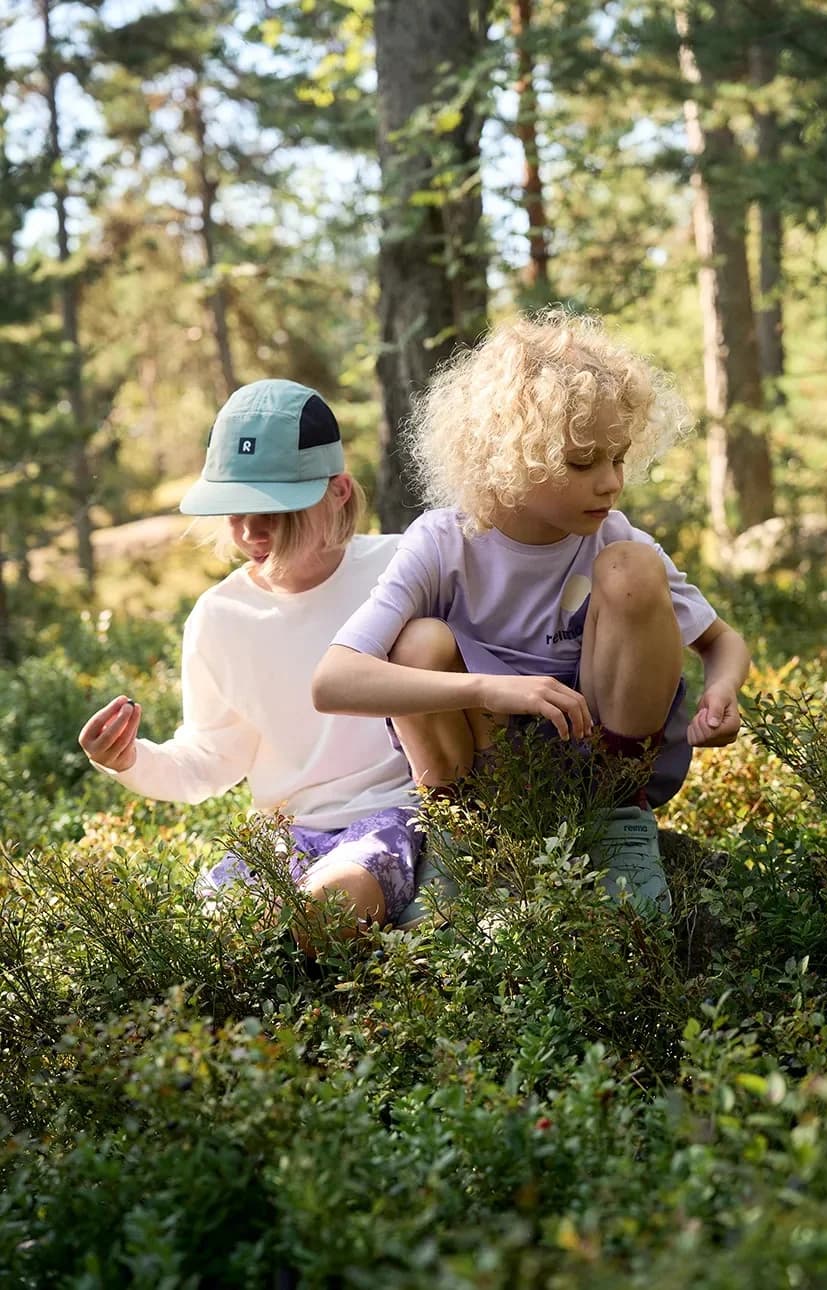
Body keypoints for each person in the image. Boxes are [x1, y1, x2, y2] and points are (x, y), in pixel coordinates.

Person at [312, 309, 751, 911]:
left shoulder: (612, 537)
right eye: (581, 463)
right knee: (418, 643)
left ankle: (620, 819)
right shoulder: (444, 543)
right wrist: (492, 691)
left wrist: (722, 691)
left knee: (632, 569)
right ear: (508, 458)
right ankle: (463, 841)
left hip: (595, 762)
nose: (610, 483)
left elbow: (722, 643)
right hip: (485, 775)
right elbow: (333, 681)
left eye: (618, 458)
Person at [79, 379, 421, 939]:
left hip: (389, 818)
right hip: (283, 837)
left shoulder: (404, 566)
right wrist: (127, 760)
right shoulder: (219, 616)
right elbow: (208, 760)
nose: (249, 530)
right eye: (234, 508)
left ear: (338, 490)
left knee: (325, 912)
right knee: (212, 935)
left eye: (273, 507)